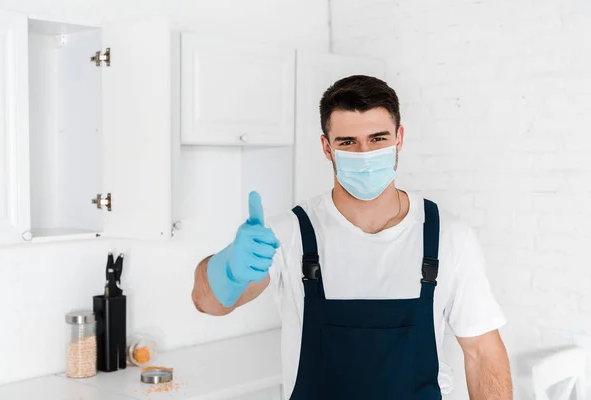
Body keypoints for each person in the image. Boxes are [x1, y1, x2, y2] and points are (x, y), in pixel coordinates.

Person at [192, 75, 512, 399]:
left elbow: (483, 353)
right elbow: (207, 303)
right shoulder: (288, 234)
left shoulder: (448, 237)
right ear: (326, 148)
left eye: (378, 139)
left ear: (399, 139)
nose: (365, 153)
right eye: (348, 142)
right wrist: (229, 269)